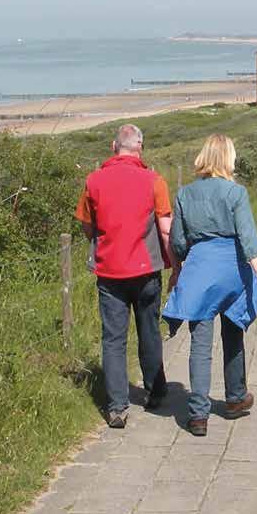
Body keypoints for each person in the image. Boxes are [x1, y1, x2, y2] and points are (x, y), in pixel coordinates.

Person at [164, 134, 257, 437]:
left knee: (200, 344)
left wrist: (177, 271)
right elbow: (248, 237)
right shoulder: (236, 193)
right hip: (233, 269)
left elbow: (177, 241)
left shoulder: (185, 194)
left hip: (200, 267)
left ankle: (198, 416)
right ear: (228, 158)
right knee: (233, 330)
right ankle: (235, 399)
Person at [75, 124, 174, 428]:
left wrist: (100, 241)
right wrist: (175, 265)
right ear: (140, 147)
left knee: (113, 339)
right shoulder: (155, 181)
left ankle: (117, 406)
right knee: (149, 330)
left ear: (113, 146)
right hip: (146, 270)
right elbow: (165, 227)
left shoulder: (94, 181)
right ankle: (155, 390)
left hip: (109, 270)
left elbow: (87, 224)